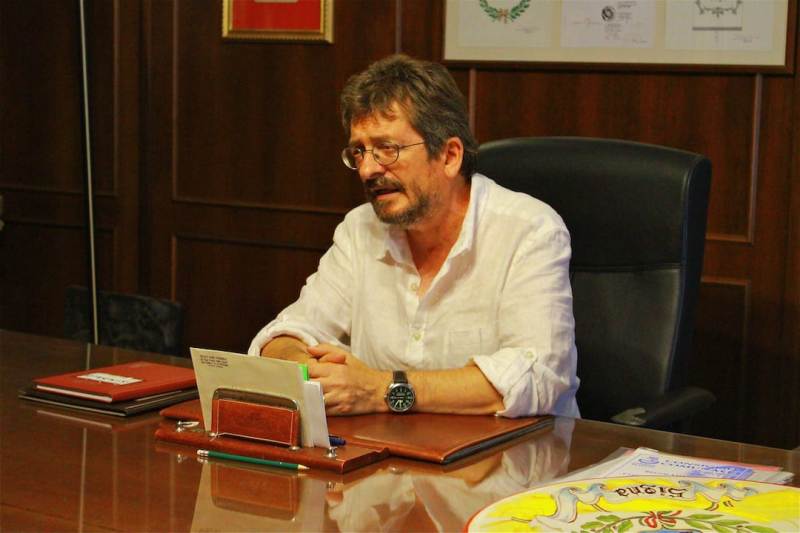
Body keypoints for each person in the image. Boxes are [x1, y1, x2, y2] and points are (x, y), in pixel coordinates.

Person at [248, 54, 579, 418]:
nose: (367, 170)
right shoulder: (360, 230)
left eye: (387, 149)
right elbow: (286, 333)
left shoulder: (529, 230)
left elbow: (536, 377)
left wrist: (380, 388)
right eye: (359, 151)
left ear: (449, 156)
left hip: (521, 449)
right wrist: (306, 367)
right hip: (389, 447)